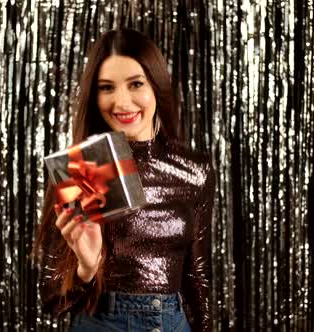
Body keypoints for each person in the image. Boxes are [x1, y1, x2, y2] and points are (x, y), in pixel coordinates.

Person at [34, 28, 215, 332]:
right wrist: (87, 269)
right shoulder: (83, 168)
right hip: (102, 323)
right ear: (94, 95)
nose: (121, 102)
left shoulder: (194, 170)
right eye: (106, 88)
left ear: (156, 84)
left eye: (136, 84)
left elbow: (197, 279)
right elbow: (52, 300)